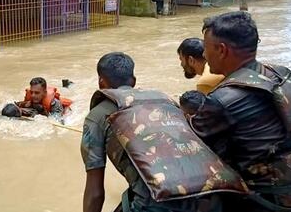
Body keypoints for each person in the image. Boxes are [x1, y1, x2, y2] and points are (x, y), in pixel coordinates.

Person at [80, 52, 249, 212]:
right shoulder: (165, 99)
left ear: (101, 82)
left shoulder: (97, 115)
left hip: (156, 204)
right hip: (215, 198)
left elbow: (95, 191)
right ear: (133, 81)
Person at [186, 11, 291, 212]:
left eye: (206, 49)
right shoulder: (280, 74)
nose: (204, 56)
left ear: (222, 50)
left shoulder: (223, 99)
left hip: (265, 201)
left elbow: (191, 144)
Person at [6, 77, 72, 120]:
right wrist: (22, 108)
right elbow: (12, 107)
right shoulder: (30, 100)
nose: (33, 95)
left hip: (65, 110)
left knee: (67, 90)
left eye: (37, 93)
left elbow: (57, 122)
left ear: (45, 93)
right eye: (31, 92)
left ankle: (68, 85)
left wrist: (42, 111)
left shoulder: (55, 104)